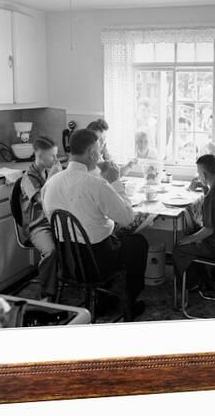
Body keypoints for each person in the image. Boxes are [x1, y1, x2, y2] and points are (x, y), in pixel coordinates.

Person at [42, 128, 149, 320]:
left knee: (110, 239)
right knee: (137, 242)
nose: (99, 155)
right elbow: (127, 217)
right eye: (99, 151)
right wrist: (115, 182)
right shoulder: (96, 184)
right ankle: (128, 304)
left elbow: (50, 216)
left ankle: (102, 299)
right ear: (92, 153)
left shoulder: (51, 183)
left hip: (66, 260)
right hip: (96, 262)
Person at [173, 154, 215, 291]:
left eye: (198, 173)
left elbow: (208, 230)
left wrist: (188, 239)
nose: (198, 175)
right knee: (192, 232)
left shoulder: (211, 198)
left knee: (179, 247)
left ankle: (190, 286)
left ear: (204, 174)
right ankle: (204, 279)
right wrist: (204, 188)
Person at [19, 136, 63, 301]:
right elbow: (42, 200)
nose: (56, 159)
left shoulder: (47, 170)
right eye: (52, 156)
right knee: (51, 251)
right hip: (38, 226)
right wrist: (52, 177)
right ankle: (47, 294)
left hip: (55, 222)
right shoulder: (28, 178)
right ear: (40, 156)